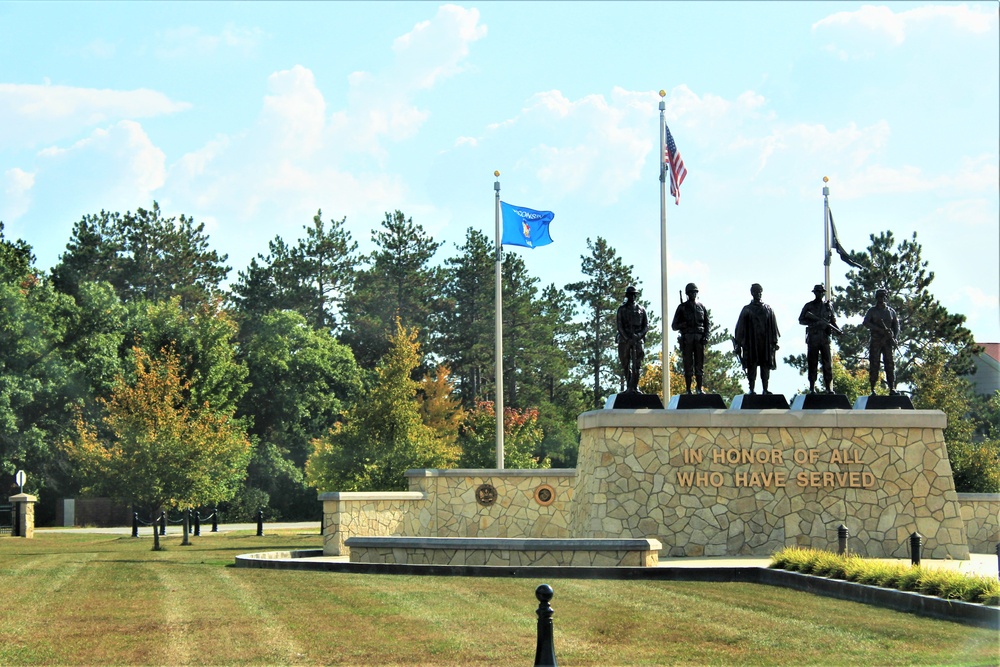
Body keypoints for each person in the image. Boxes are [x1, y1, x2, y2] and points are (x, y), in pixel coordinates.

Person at [733, 283, 780, 394]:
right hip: (751, 342)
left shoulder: (768, 309)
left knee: (765, 366)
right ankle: (751, 389)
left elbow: (774, 327)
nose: (758, 294)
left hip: (765, 343)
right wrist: (738, 344)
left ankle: (765, 389)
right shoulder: (747, 309)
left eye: (759, 292)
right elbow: (740, 328)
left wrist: (774, 341)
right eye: (755, 292)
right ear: (752, 293)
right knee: (751, 365)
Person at [798, 284, 840, 394]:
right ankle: (812, 387)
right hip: (813, 337)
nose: (819, 294)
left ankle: (828, 388)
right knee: (812, 363)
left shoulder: (828, 307)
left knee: (827, 363)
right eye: (817, 292)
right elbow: (801, 320)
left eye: (821, 292)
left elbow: (833, 321)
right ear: (814, 293)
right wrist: (815, 323)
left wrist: (838, 330)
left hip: (825, 338)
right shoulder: (809, 306)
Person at [671, 282, 710, 394]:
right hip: (687, 339)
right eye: (691, 292)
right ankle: (688, 389)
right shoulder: (682, 307)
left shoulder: (702, 307)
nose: (693, 294)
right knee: (688, 365)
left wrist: (706, 336)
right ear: (687, 294)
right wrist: (683, 324)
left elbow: (707, 323)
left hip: (699, 338)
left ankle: (699, 388)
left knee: (699, 365)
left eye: (694, 292)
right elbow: (674, 325)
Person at [862, 288, 899, 395]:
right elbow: (866, 323)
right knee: (874, 364)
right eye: (879, 296)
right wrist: (879, 330)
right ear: (876, 297)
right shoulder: (872, 311)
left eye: (883, 296)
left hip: (887, 342)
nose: (881, 298)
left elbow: (896, 326)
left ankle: (892, 388)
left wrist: (894, 337)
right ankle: (873, 388)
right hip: (876, 341)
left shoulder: (891, 312)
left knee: (890, 364)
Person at [616, 285, 649, 394]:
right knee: (625, 363)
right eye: (630, 295)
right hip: (624, 340)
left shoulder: (641, 309)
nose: (632, 297)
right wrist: (627, 337)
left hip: (638, 339)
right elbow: (619, 326)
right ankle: (629, 386)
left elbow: (646, 325)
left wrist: (638, 335)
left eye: (634, 295)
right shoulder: (622, 309)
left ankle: (635, 386)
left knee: (637, 365)